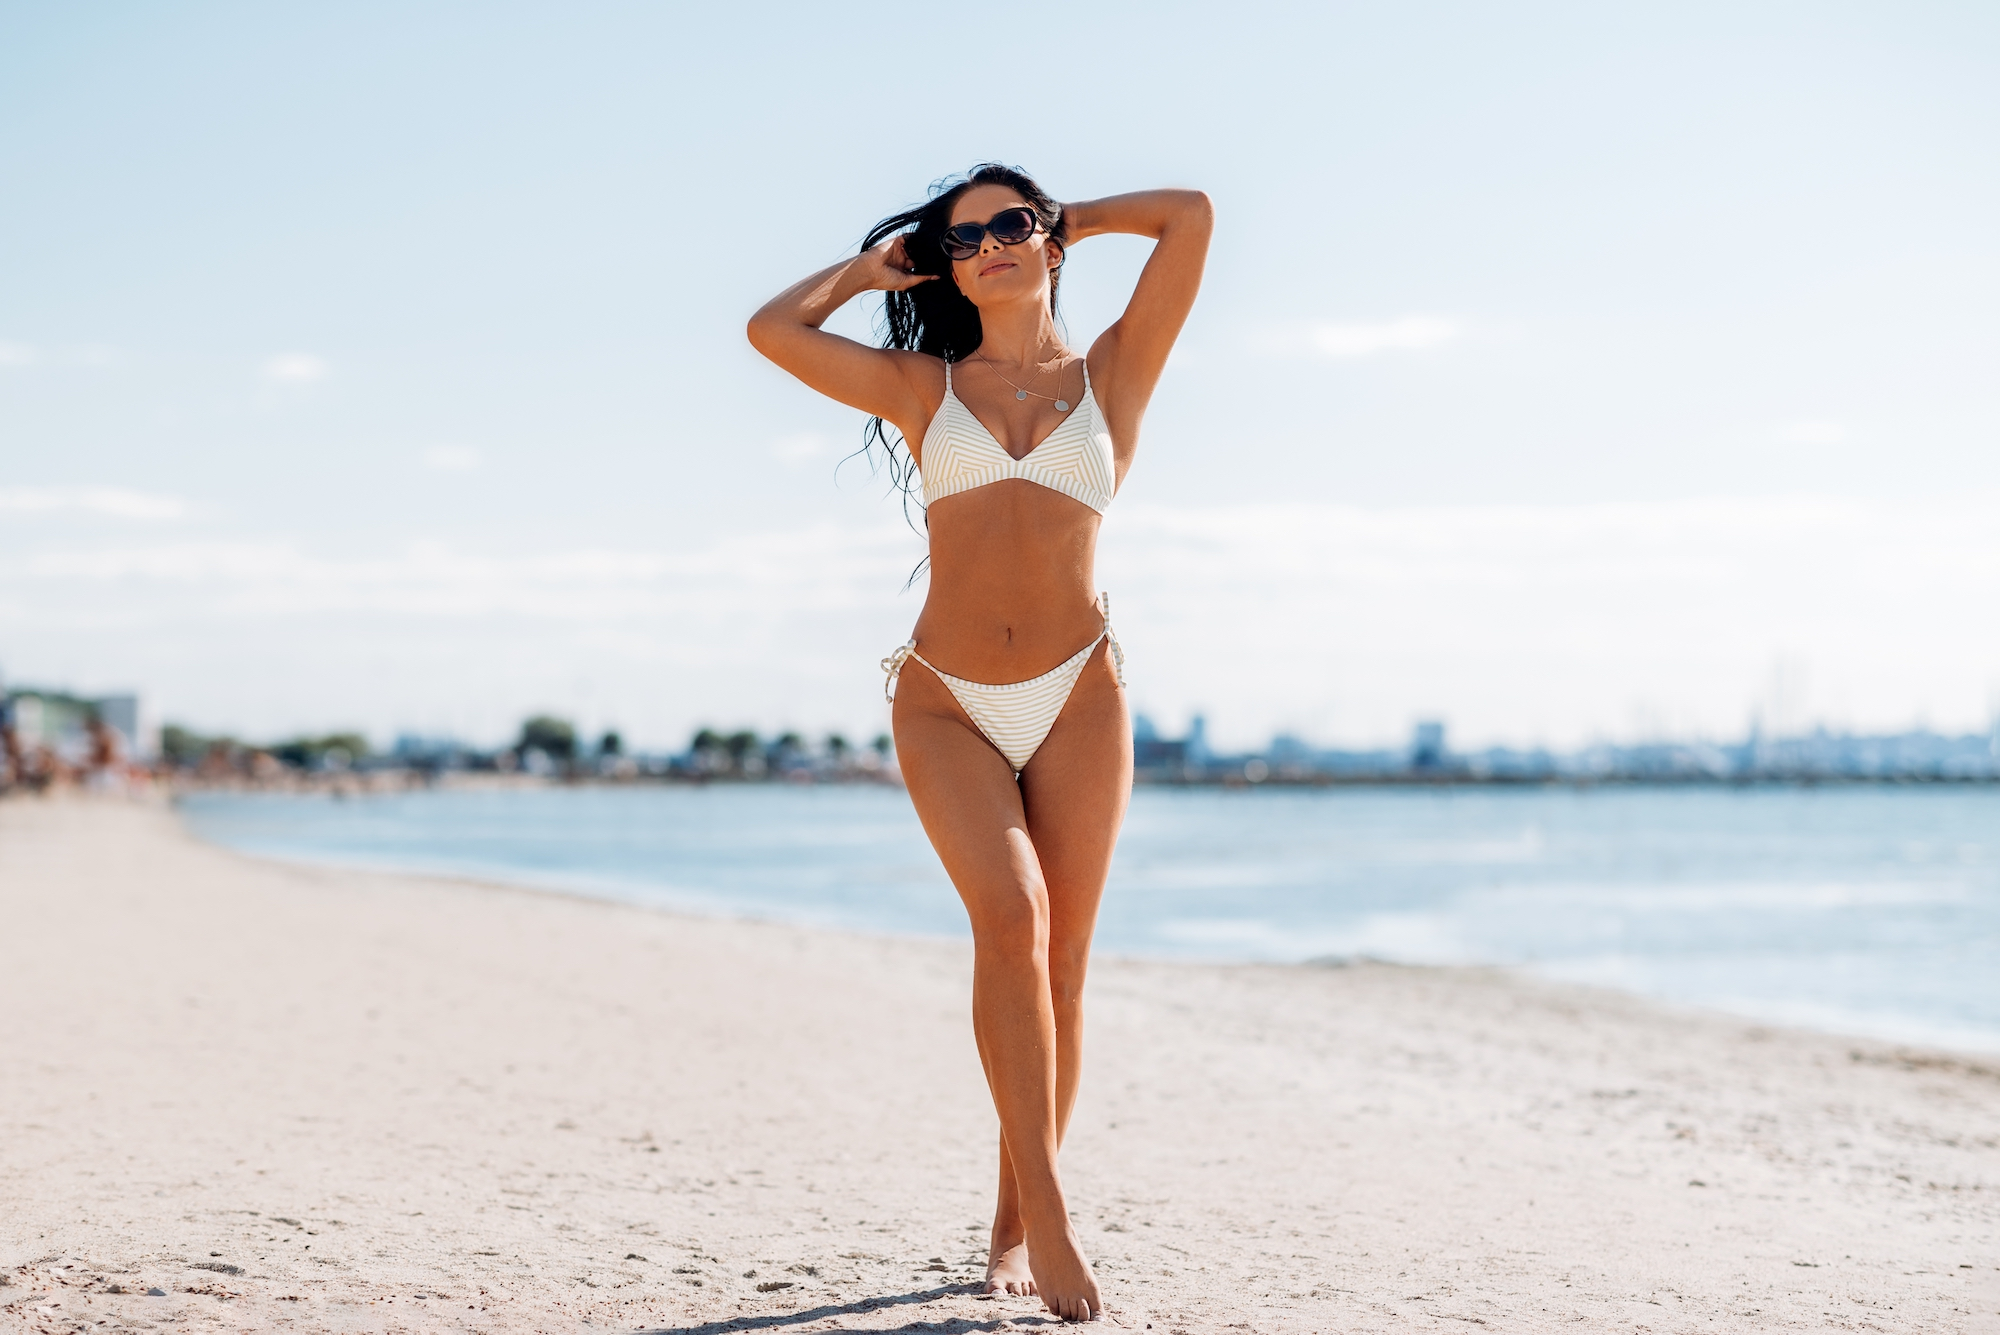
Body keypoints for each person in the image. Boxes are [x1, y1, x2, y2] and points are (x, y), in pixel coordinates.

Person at [749, 164, 1210, 1323]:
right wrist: (868, 269)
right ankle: (1049, 1220)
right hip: (945, 697)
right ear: (943, 264)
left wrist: (1067, 220)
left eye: (1011, 226)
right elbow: (770, 331)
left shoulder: (1111, 372)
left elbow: (1190, 217)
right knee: (1009, 921)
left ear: (1046, 244)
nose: (990, 246)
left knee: (1061, 965)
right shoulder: (922, 386)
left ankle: (1008, 1227)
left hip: (1080, 695)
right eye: (965, 238)